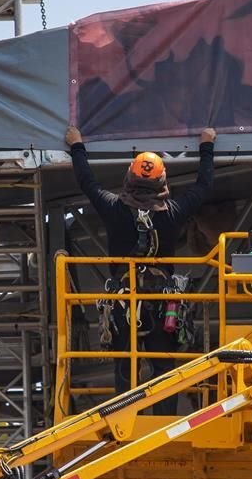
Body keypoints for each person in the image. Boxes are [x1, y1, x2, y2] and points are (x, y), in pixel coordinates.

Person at [65, 125, 216, 415]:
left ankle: (123, 420)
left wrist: (77, 145)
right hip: (162, 304)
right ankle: (162, 423)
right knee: (162, 365)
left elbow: (87, 182)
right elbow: (203, 187)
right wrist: (206, 145)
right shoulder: (172, 212)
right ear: (162, 181)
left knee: (125, 364)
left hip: (124, 302)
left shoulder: (114, 208)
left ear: (129, 178)